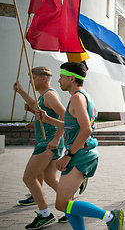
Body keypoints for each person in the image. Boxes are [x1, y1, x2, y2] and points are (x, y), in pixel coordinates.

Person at [36, 62, 124, 230]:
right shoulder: (83, 96)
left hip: (79, 154)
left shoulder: (77, 97)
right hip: (82, 152)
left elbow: (86, 129)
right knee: (66, 203)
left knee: (61, 204)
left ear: (71, 78)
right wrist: (47, 119)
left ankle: (110, 217)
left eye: (61, 77)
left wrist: (68, 154)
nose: (59, 81)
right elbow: (72, 124)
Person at [13, 67, 66, 229]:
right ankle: (72, 208)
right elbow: (35, 105)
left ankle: (45, 215)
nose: (31, 81)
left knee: (29, 178)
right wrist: (21, 91)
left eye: (34, 78)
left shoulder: (50, 95)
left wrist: (56, 139)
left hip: (48, 143)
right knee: (50, 179)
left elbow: (65, 117)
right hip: (47, 141)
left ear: (43, 79)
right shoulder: (45, 96)